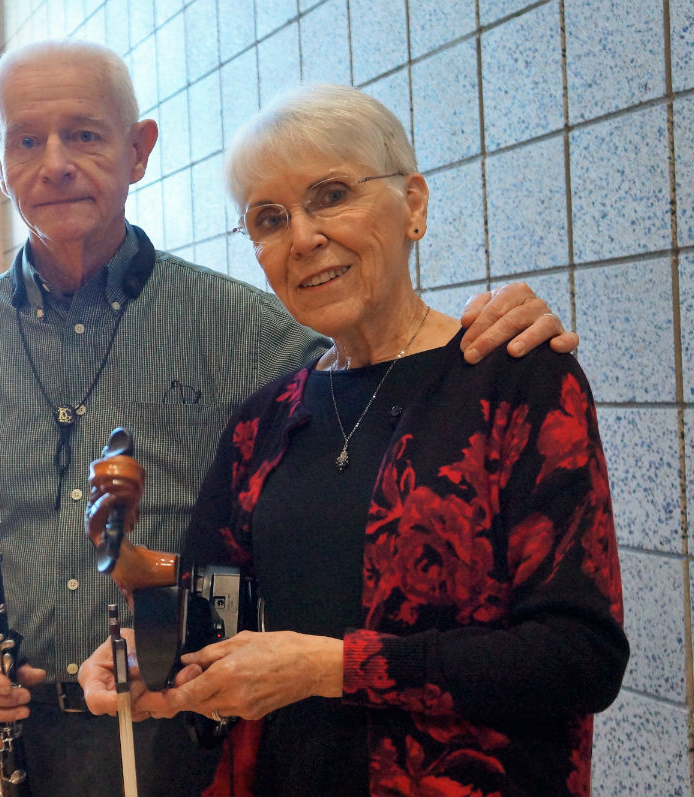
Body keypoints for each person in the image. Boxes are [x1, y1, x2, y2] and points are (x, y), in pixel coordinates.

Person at [0, 39, 579, 797]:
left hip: (192, 738)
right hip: (12, 737)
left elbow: (379, 365)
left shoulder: (252, 329)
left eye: (85, 134)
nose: (56, 162)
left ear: (140, 151)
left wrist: (492, 328)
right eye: (26, 140)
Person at [79, 82, 627, 797]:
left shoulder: (517, 381)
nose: (304, 237)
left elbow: (578, 655)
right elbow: (215, 622)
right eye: (269, 219)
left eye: (331, 195)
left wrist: (330, 667)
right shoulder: (261, 424)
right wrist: (147, 661)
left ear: (414, 206)